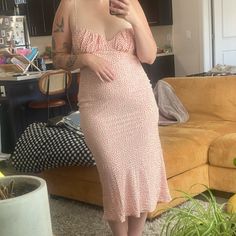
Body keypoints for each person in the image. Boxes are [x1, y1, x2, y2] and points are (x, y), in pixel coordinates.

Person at [52, 0, 171, 235]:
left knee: (142, 174)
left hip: (139, 106)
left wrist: (134, 19)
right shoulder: (70, 5)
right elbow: (57, 57)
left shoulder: (130, 3)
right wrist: (86, 59)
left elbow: (148, 56)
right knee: (114, 176)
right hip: (98, 110)